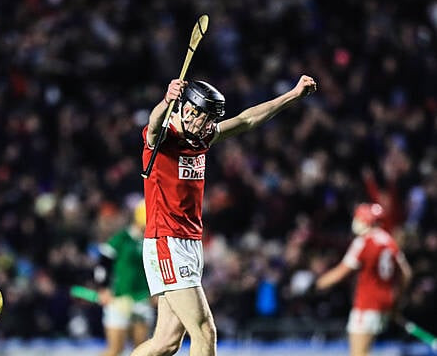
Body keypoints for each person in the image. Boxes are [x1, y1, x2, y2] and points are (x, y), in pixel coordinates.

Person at [133, 75, 317, 356]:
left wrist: (292, 95)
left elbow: (246, 120)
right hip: (166, 241)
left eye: (211, 121)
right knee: (205, 331)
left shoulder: (202, 136)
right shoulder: (163, 139)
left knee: (165, 343)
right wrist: (165, 101)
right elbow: (154, 125)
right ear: (187, 109)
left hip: (189, 242)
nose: (208, 127)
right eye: (204, 119)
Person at [315, 203, 412, 356]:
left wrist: (317, 284)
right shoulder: (389, 241)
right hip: (385, 303)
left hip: (366, 304)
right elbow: (406, 274)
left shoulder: (364, 241)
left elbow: (341, 272)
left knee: (358, 354)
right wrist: (395, 302)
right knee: (366, 351)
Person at [94, 200, 154, 356]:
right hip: (118, 299)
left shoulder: (152, 241)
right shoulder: (120, 239)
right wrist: (103, 289)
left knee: (142, 350)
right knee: (115, 350)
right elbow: (103, 265)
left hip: (142, 298)